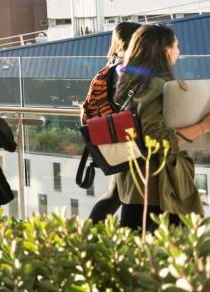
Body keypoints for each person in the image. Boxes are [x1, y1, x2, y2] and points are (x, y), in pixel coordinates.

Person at [115, 24, 210, 229]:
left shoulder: (133, 81)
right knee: (171, 253)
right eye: (176, 45)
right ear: (165, 50)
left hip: (137, 181)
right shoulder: (156, 86)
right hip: (158, 187)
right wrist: (203, 126)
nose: (179, 51)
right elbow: (156, 139)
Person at [86, 21, 141, 222]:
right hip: (126, 138)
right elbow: (127, 103)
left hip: (116, 136)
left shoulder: (113, 65)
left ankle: (90, 237)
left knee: (117, 194)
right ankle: (92, 238)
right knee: (126, 196)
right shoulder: (125, 69)